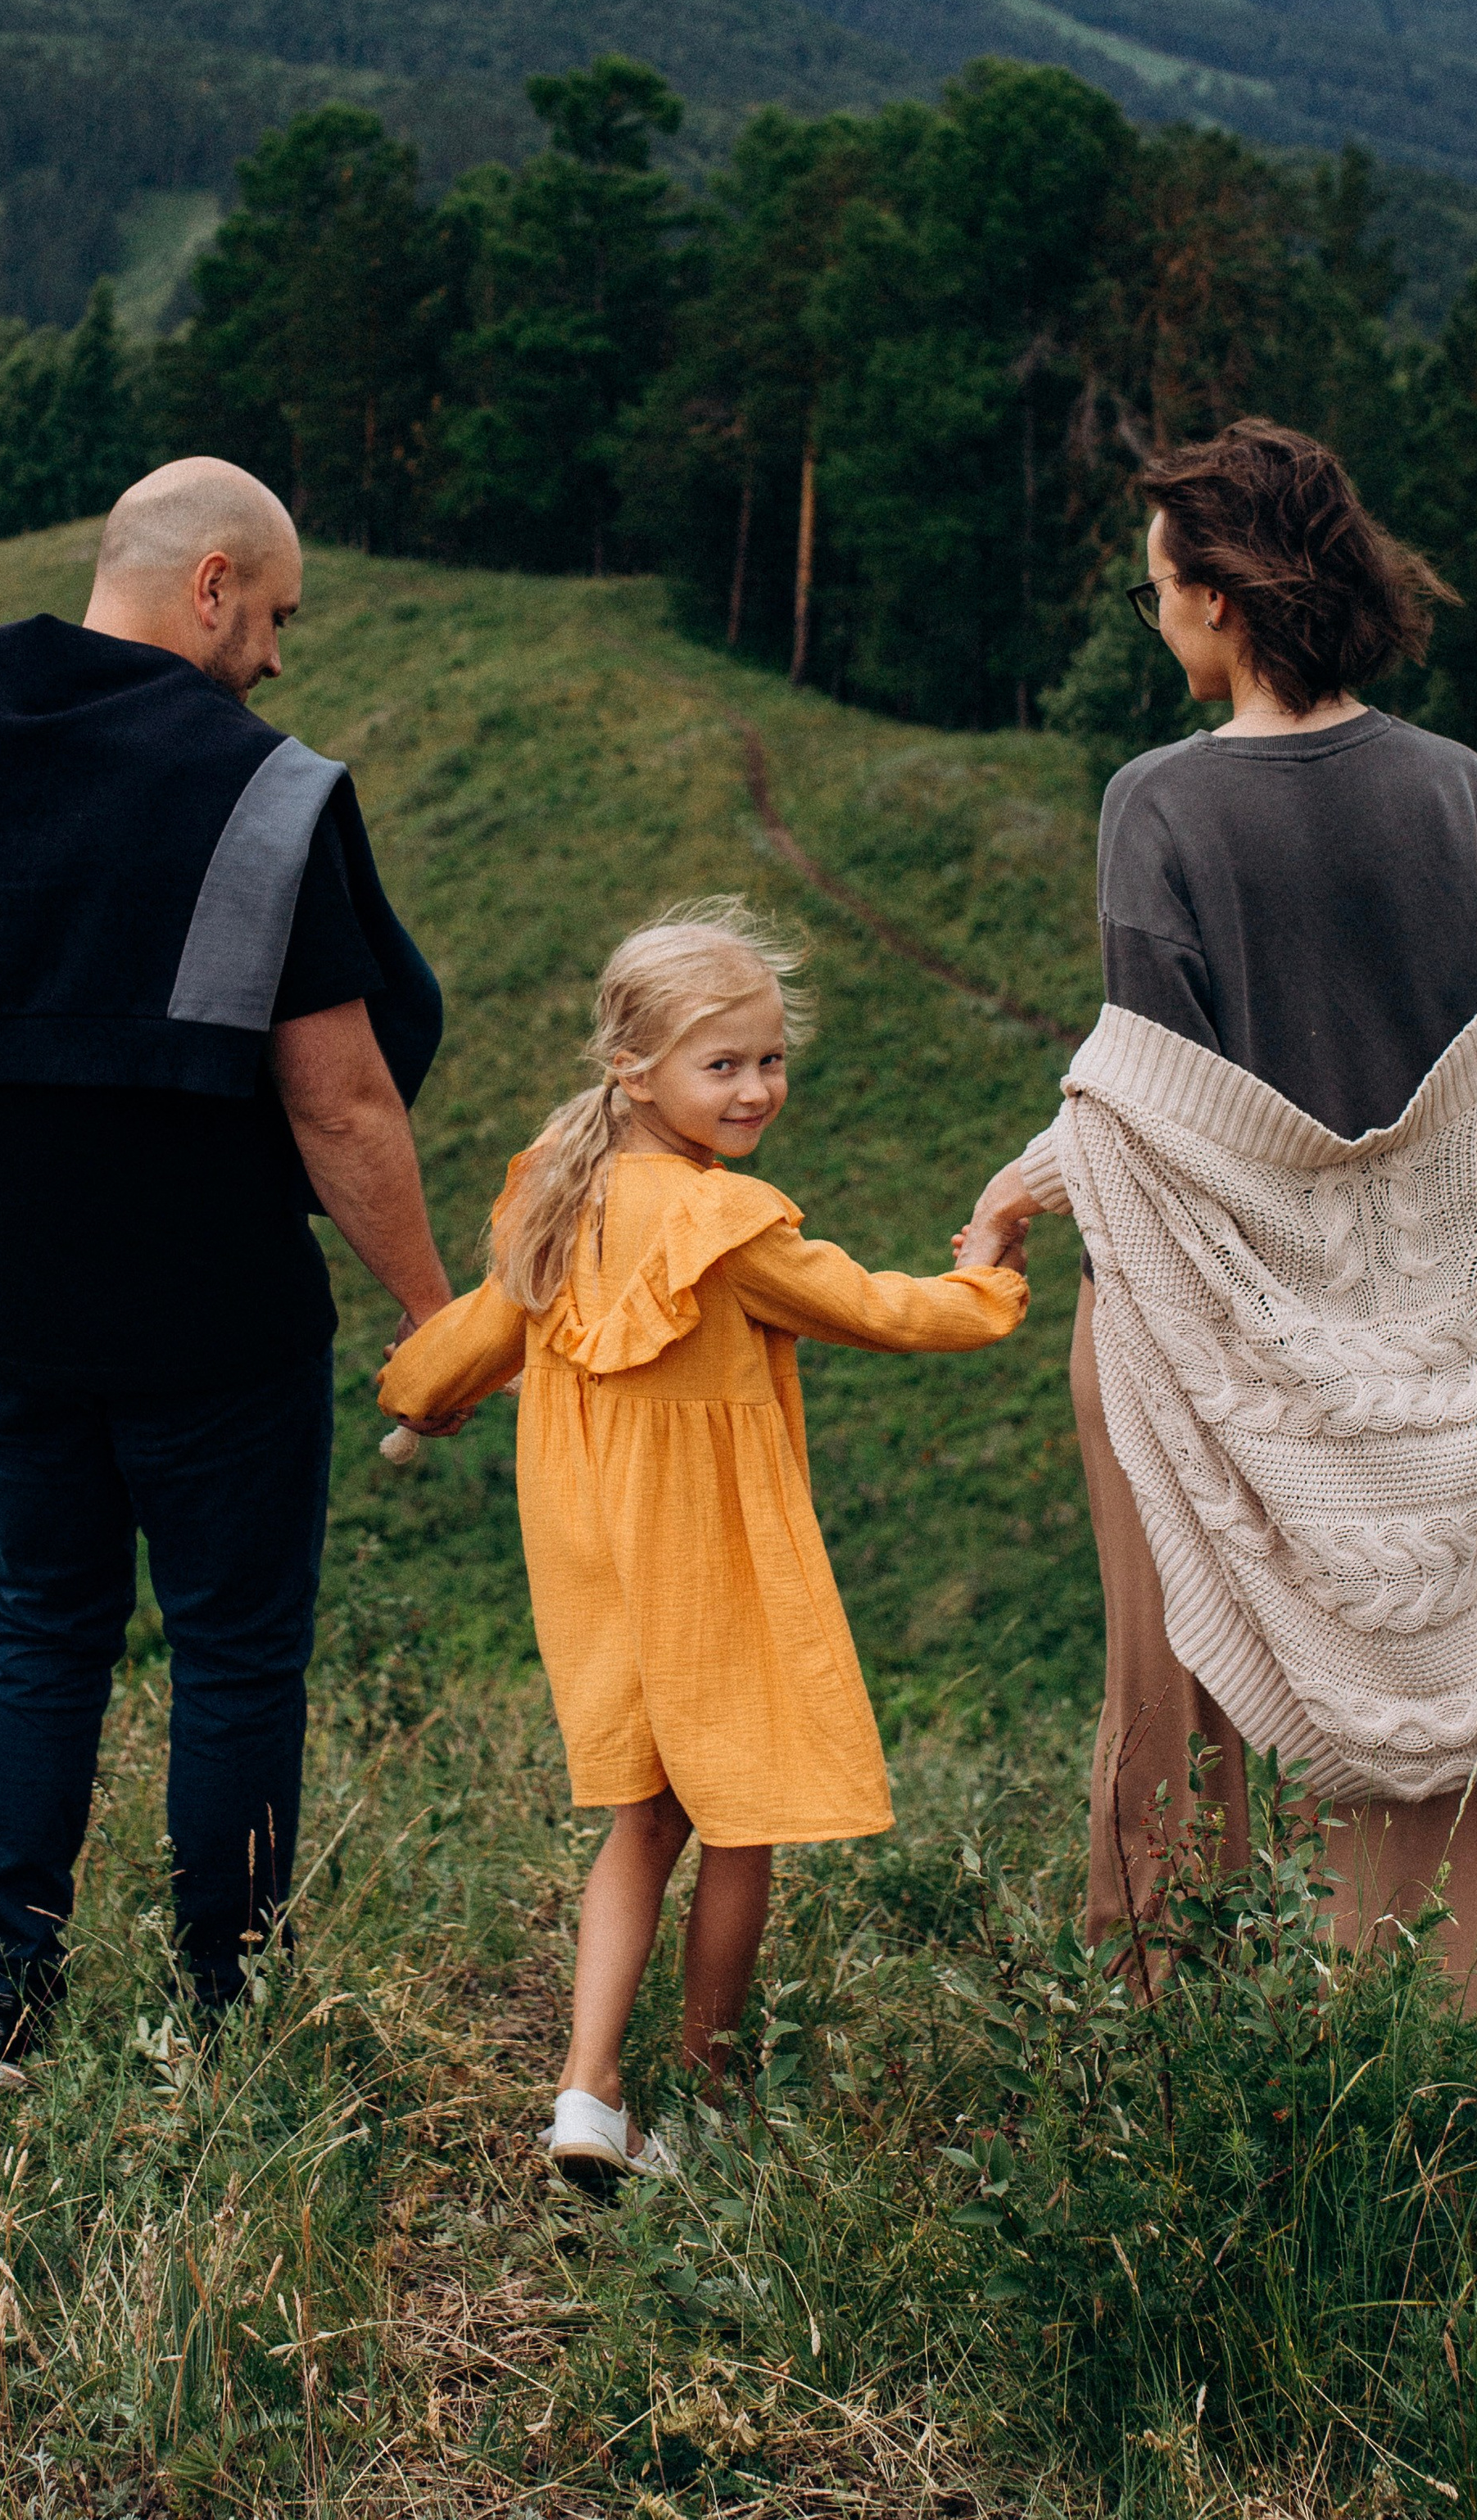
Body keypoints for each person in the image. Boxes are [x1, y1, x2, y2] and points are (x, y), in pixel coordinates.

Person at [0, 458, 453, 2093]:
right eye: (274, 617)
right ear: (212, 581)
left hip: (13, 1309)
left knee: (42, 1624)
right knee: (234, 1650)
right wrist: (431, 1312)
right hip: (217, 1318)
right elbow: (340, 1098)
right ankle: (231, 2003)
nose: (274, 657)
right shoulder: (258, 792)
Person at [969, 422, 1477, 1999]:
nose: (1159, 614)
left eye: (1160, 589)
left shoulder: (1160, 809)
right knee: (1422, 1692)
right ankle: (1410, 2066)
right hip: (1422, 1346)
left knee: (1170, 1701)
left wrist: (1037, 1173)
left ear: (1225, 603)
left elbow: (1168, 1120)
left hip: (1193, 1334)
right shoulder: (1460, 790)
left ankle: (1166, 2085)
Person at [379, 898, 1028, 2185]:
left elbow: (477, 1331)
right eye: (723, 1064)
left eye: (770, 1060)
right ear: (636, 1066)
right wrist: (991, 1275)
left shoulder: (558, 1191)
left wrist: (421, 1398)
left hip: (592, 1560)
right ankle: (706, 2111)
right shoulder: (719, 1227)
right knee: (741, 1821)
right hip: (704, 1560)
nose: (756, 1090)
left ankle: (587, 2089)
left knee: (642, 1821)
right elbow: (878, 1311)